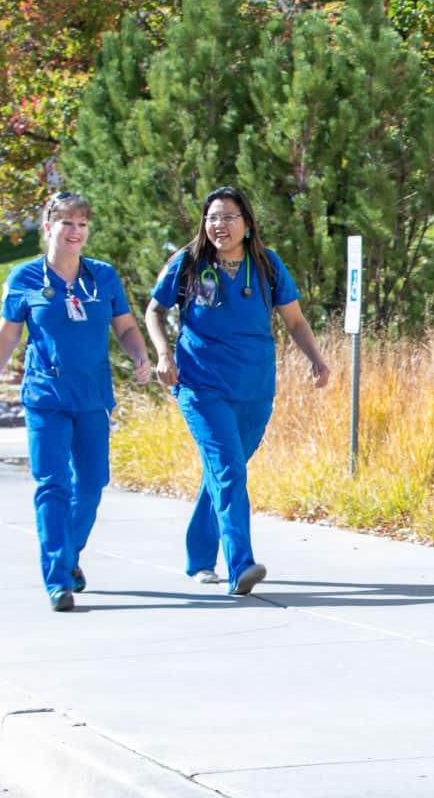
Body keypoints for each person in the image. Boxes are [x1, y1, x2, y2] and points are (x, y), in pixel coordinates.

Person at [144, 186, 329, 596]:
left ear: (246, 224)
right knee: (228, 470)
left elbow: (295, 321)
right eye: (212, 217)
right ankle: (240, 564)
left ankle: (198, 556)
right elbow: (154, 310)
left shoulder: (266, 265)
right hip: (200, 385)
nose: (219, 225)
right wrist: (162, 354)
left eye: (229, 217)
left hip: (254, 387)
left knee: (226, 471)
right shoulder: (188, 262)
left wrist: (316, 358)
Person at [0, 191, 152, 611]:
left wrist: (140, 355)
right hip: (46, 397)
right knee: (53, 485)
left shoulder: (102, 277)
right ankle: (57, 579)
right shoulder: (25, 278)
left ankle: (70, 555)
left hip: (91, 397)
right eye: (67, 223)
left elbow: (125, 327)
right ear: (49, 227)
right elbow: (8, 335)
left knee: (92, 484)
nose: (75, 232)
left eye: (82, 225)